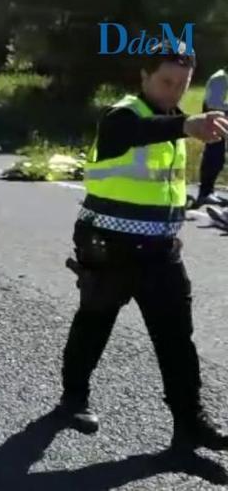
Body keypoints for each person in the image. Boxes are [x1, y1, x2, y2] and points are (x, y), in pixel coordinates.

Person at [57, 39, 228, 452]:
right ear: (144, 77)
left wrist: (192, 125)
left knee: (177, 338)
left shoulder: (175, 120)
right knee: (95, 323)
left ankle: (189, 423)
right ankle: (73, 398)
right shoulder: (123, 114)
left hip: (160, 250)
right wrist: (186, 126)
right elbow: (132, 132)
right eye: (166, 82)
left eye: (182, 84)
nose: (173, 92)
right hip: (109, 245)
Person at [195, 68, 228, 207]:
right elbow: (213, 104)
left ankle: (209, 191)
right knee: (214, 157)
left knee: (218, 158)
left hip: (221, 120)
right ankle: (205, 193)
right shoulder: (220, 78)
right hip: (214, 120)